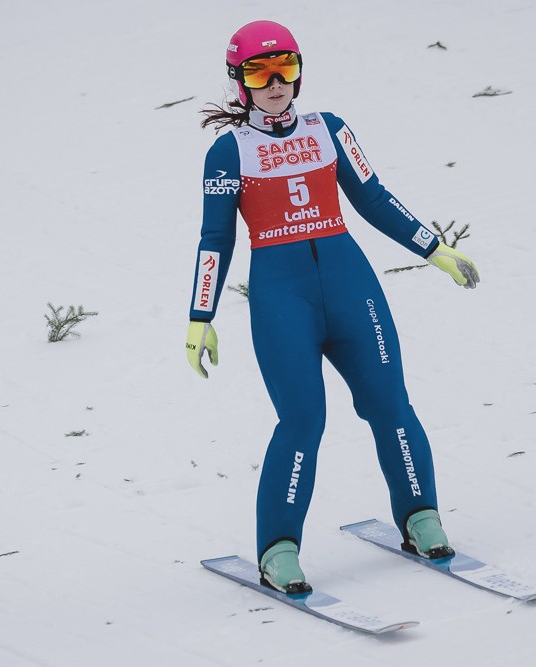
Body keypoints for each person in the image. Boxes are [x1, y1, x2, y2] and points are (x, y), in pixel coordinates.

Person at [186, 20, 480, 595]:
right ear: (240, 82)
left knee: (389, 402)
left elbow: (374, 197)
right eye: (259, 73)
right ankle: (278, 550)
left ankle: (421, 516)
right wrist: (201, 316)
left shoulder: (330, 130)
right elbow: (215, 239)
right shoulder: (228, 152)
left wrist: (434, 249)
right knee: (303, 420)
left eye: (285, 68)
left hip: (351, 288)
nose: (275, 83)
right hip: (283, 300)